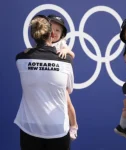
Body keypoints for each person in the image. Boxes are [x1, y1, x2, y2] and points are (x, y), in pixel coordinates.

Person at [14, 15, 74, 150]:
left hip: (29, 127)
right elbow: (68, 90)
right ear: (51, 34)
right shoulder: (66, 61)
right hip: (58, 129)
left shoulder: (20, 58)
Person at [47, 14, 78, 141]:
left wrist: (66, 51)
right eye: (51, 29)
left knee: (68, 102)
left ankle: (74, 125)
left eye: (58, 30)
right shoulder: (41, 45)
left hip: (60, 83)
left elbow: (72, 54)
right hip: (46, 82)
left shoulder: (61, 44)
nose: (54, 32)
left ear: (62, 34)